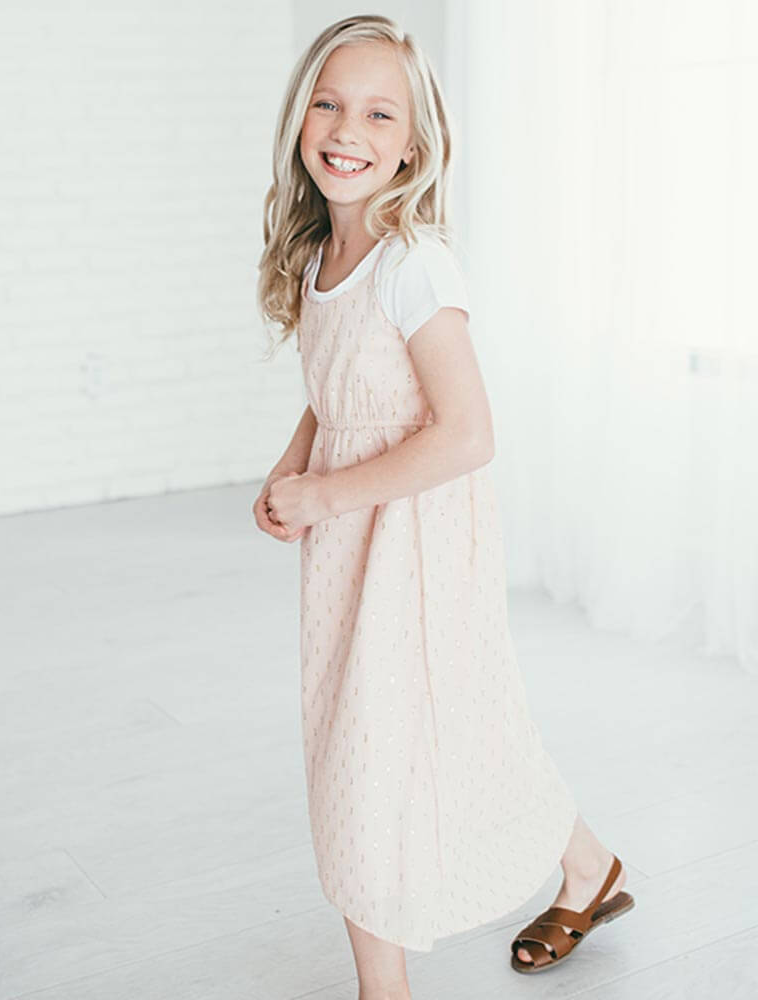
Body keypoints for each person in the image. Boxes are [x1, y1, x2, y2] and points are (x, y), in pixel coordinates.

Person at [252, 14, 634, 997]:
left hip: (412, 540)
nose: (348, 128)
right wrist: (291, 462)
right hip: (349, 543)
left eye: (380, 113)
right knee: (401, 736)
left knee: (391, 751)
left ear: (413, 147)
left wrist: (325, 488)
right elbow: (335, 381)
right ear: (300, 117)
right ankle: (589, 868)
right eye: (329, 103)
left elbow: (466, 432)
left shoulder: (415, 263)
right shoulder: (319, 259)